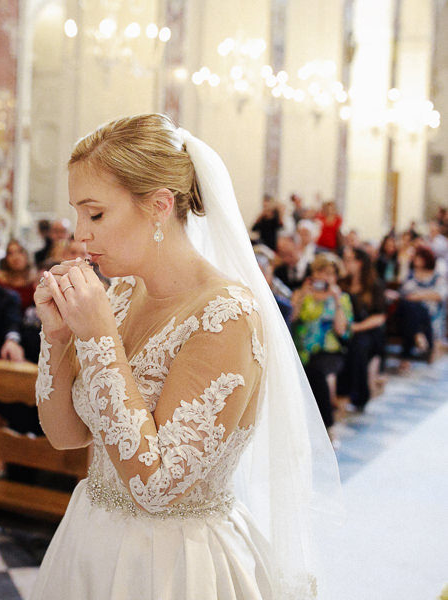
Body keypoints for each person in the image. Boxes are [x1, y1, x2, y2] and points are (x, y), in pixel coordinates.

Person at [30, 114, 340, 599]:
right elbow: (66, 436)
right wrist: (58, 338)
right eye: (76, 214)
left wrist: (97, 339)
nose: (79, 236)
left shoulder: (225, 314)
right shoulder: (122, 295)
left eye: (95, 214)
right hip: (90, 540)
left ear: (158, 205)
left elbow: (155, 488)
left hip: (175, 563)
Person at [290, 253, 354, 429]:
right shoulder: (301, 294)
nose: (324, 277)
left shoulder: (342, 298)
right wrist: (301, 296)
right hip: (300, 350)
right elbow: (290, 319)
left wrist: (336, 300)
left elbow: (341, 330)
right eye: (321, 272)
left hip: (329, 352)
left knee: (315, 372)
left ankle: (328, 425)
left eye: (330, 273)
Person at [337, 247, 387, 411]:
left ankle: (358, 395)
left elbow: (379, 317)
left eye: (349, 259)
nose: (346, 263)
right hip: (346, 328)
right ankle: (340, 393)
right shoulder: (342, 283)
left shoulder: (374, 285)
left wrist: (356, 327)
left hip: (368, 329)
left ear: (359, 263)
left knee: (358, 346)